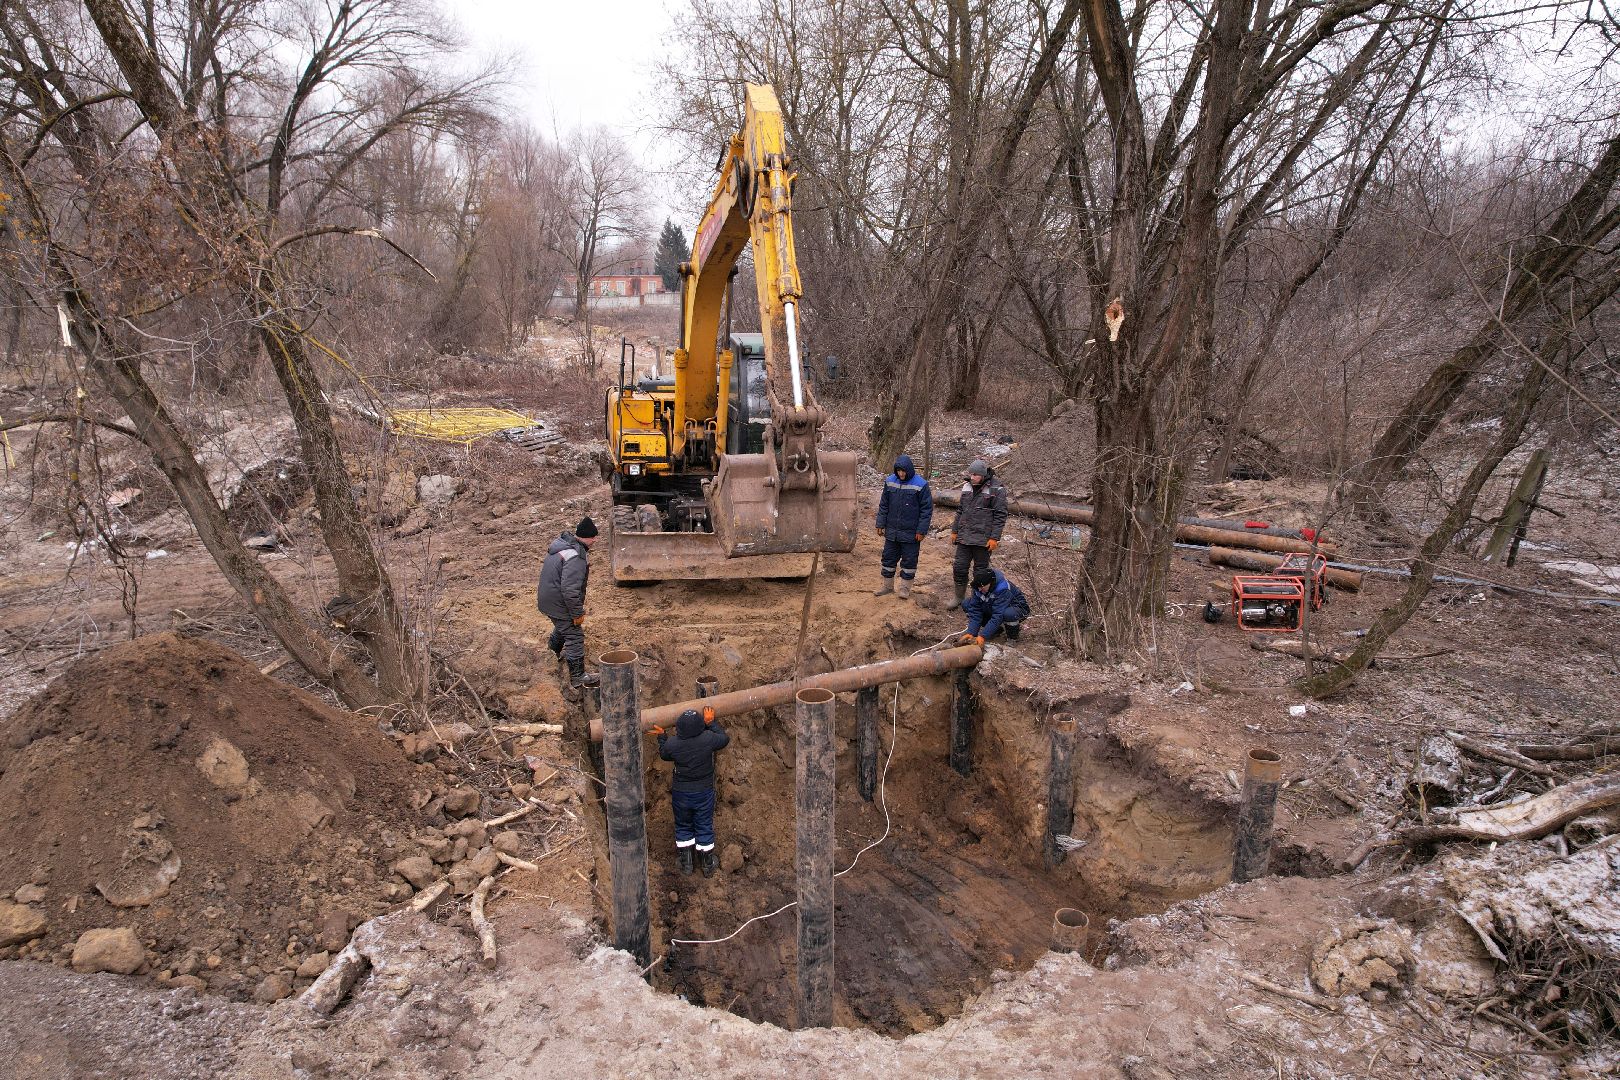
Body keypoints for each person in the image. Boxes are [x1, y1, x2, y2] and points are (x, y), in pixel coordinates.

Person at [653, 705, 730, 876]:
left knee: (683, 825)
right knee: (704, 824)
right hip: (704, 792)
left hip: (681, 793)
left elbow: (664, 754)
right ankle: (707, 865)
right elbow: (724, 739)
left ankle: (686, 863)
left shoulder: (673, 744)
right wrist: (711, 723)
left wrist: (662, 737)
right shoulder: (708, 738)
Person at [537, 517, 599, 689]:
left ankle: (552, 654)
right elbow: (570, 590)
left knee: (563, 626)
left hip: (548, 599)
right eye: (593, 537)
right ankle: (578, 677)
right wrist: (577, 613)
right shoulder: (576, 556)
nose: (595, 540)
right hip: (558, 601)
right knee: (574, 635)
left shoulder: (564, 546)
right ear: (584, 537)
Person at [947, 458, 1008, 611]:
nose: (972, 477)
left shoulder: (997, 489)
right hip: (965, 537)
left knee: (980, 572)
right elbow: (960, 510)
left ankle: (977, 599)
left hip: (983, 539)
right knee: (959, 567)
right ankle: (959, 597)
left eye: (975, 475)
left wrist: (994, 538)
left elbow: (1000, 515)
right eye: (971, 474)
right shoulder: (967, 486)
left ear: (983, 475)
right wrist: (955, 530)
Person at [873, 453, 933, 599]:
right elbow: (884, 505)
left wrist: (921, 530)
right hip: (892, 532)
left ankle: (905, 589)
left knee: (909, 561)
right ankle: (887, 587)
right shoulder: (890, 481)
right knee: (888, 559)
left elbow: (926, 510)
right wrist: (880, 523)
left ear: (909, 470)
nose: (901, 474)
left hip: (911, 533)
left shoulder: (921, 484)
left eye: (903, 471)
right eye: (898, 471)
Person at [958, 567, 1031, 644]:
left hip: (1016, 608)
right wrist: (971, 633)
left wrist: (983, 636)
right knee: (967, 604)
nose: (979, 589)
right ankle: (996, 630)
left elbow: (998, 615)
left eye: (982, 587)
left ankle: (1012, 637)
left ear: (990, 583)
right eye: (978, 587)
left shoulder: (1003, 589)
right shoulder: (978, 586)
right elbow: (975, 611)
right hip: (993, 605)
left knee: (1009, 613)